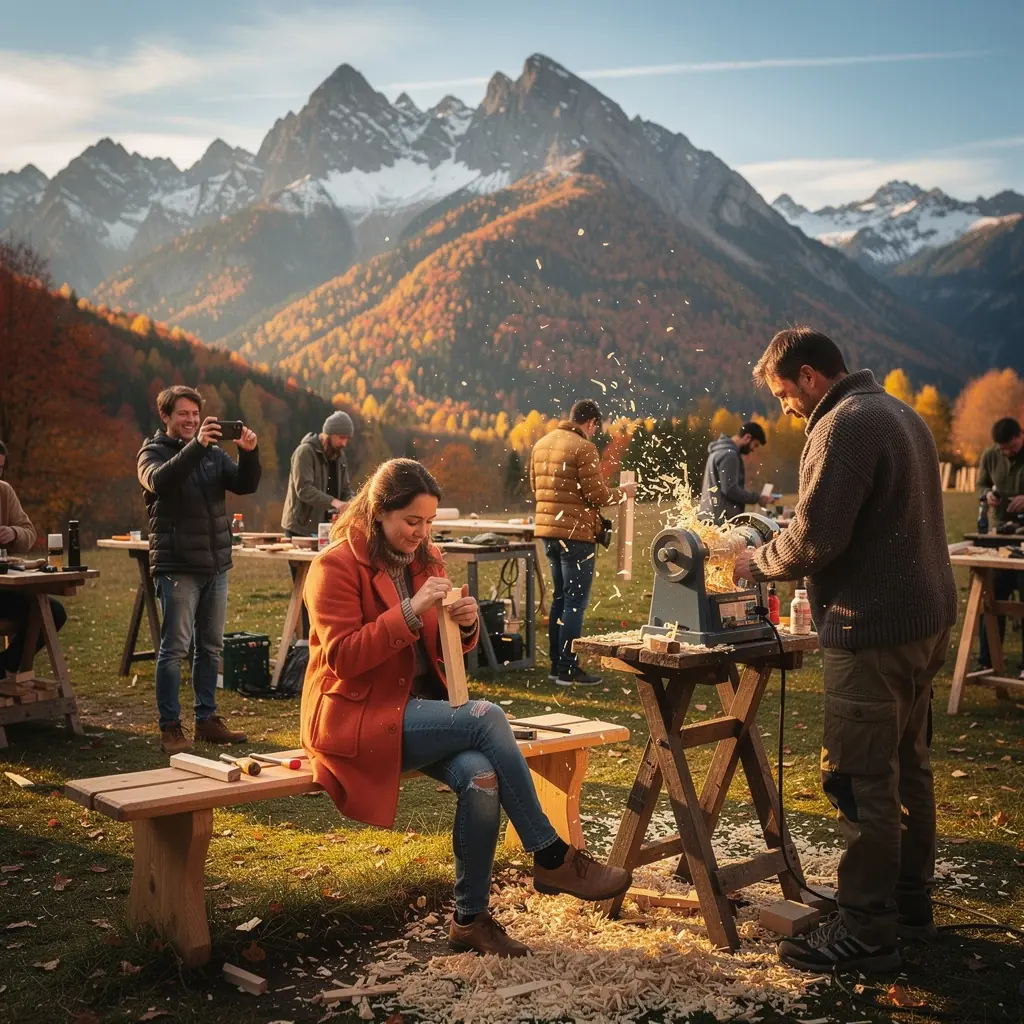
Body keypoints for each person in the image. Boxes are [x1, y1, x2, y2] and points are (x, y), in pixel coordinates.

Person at [301, 458, 631, 957]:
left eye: (429, 522)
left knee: (481, 778)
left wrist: (467, 621)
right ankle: (551, 855)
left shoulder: (425, 558)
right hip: (358, 717)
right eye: (412, 521)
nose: (421, 533)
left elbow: (443, 646)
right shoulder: (334, 567)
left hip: (420, 713)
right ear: (378, 511)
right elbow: (343, 658)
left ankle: (469, 920)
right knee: (486, 716)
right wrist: (410, 610)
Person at [733, 327, 957, 974]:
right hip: (923, 621)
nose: (786, 410)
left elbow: (815, 538)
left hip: (873, 628)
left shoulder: (844, 424)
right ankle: (907, 906)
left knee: (861, 779)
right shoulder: (899, 413)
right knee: (907, 767)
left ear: (809, 376)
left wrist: (756, 562)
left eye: (785, 395)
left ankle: (866, 931)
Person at [137, 387, 262, 754]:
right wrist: (198, 446)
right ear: (166, 416)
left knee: (210, 647)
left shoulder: (213, 454)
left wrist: (249, 453)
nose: (191, 420)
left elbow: (245, 484)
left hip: (215, 564)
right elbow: (161, 481)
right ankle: (170, 727)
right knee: (175, 648)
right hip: (178, 566)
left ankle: (206, 720)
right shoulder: (151, 453)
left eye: (195, 414)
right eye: (183, 414)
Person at [529, 399, 634, 686]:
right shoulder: (584, 448)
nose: (594, 432)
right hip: (576, 536)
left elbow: (535, 487)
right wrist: (624, 492)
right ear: (591, 422)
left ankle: (556, 665)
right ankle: (568, 668)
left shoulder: (541, 444)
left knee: (560, 599)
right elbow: (597, 496)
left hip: (548, 533)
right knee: (575, 602)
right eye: (595, 427)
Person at [281, 411, 356, 634]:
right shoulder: (305, 452)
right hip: (301, 529)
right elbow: (303, 489)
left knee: (323, 588)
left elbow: (346, 489)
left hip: (326, 531)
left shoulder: (339, 457)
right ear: (329, 433)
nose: (343, 443)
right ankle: (302, 640)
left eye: (347, 439)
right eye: (341, 437)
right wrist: (335, 502)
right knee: (303, 589)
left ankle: (319, 635)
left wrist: (353, 502)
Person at [0, 441, 68, 675]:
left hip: (4, 587)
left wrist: (14, 533)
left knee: (53, 612)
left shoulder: (4, 491)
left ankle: (5, 666)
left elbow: (29, 533)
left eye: (0, 468)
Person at [976, 417, 1024, 675]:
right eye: (1003, 449)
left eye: (1012, 447)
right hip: (1000, 534)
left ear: (1020, 435)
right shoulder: (990, 455)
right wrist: (987, 495)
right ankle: (988, 660)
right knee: (992, 598)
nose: (1008, 453)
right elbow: (981, 484)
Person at [698, 422, 771, 524]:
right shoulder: (730, 455)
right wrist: (757, 498)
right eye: (755, 445)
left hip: (709, 516)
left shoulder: (718, 451)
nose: (753, 450)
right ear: (747, 437)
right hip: (720, 521)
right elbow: (730, 489)